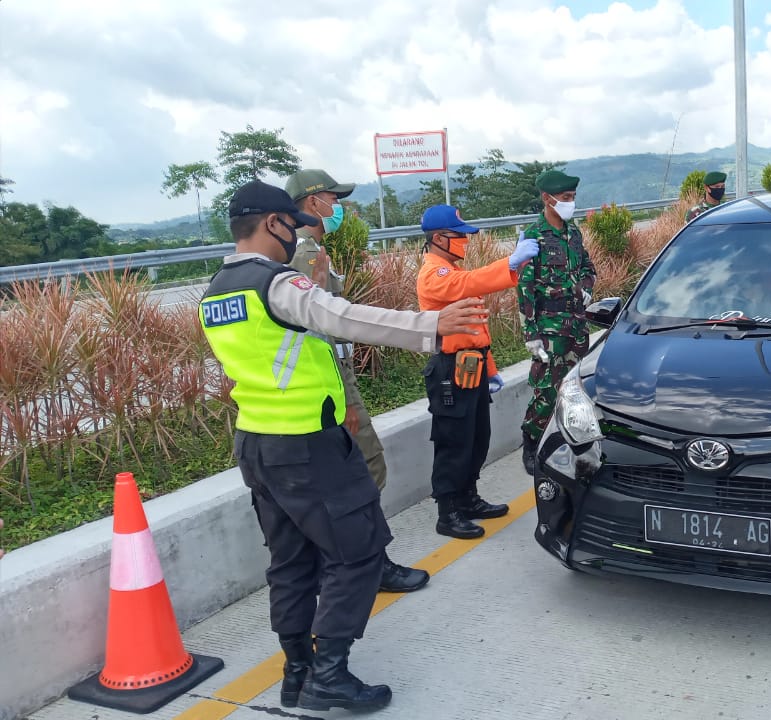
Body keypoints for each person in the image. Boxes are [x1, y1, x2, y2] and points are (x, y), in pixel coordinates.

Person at [200, 180, 486, 712]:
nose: (297, 235)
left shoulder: (216, 290)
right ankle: (329, 676)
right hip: (310, 446)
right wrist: (433, 325)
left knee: (290, 563)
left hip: (259, 445)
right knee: (357, 553)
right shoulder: (274, 283)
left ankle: (297, 673)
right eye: (293, 225)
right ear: (272, 224)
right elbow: (341, 315)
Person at [285, 169, 429, 594]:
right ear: (313, 204)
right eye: (334, 199)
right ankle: (372, 564)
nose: (339, 208)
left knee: (358, 470)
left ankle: (361, 561)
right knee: (367, 466)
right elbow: (321, 323)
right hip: (329, 376)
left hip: (330, 374)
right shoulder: (304, 254)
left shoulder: (308, 249)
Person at [416, 205, 540, 538]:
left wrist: (491, 369)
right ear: (440, 238)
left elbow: (477, 333)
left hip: (471, 366)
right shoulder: (434, 273)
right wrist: (510, 263)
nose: (466, 242)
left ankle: (468, 498)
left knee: (476, 439)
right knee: (453, 442)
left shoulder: (450, 270)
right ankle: (448, 511)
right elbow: (470, 283)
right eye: (460, 236)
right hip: (450, 370)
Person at [518, 170, 597, 475]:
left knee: (574, 386)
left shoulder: (573, 233)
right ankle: (531, 439)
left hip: (576, 324)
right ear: (547, 199)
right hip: (549, 328)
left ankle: (569, 439)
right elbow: (524, 288)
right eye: (566, 198)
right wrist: (530, 334)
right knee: (546, 390)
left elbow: (588, 265)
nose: (571, 203)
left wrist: (587, 288)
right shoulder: (533, 236)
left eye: (573, 197)